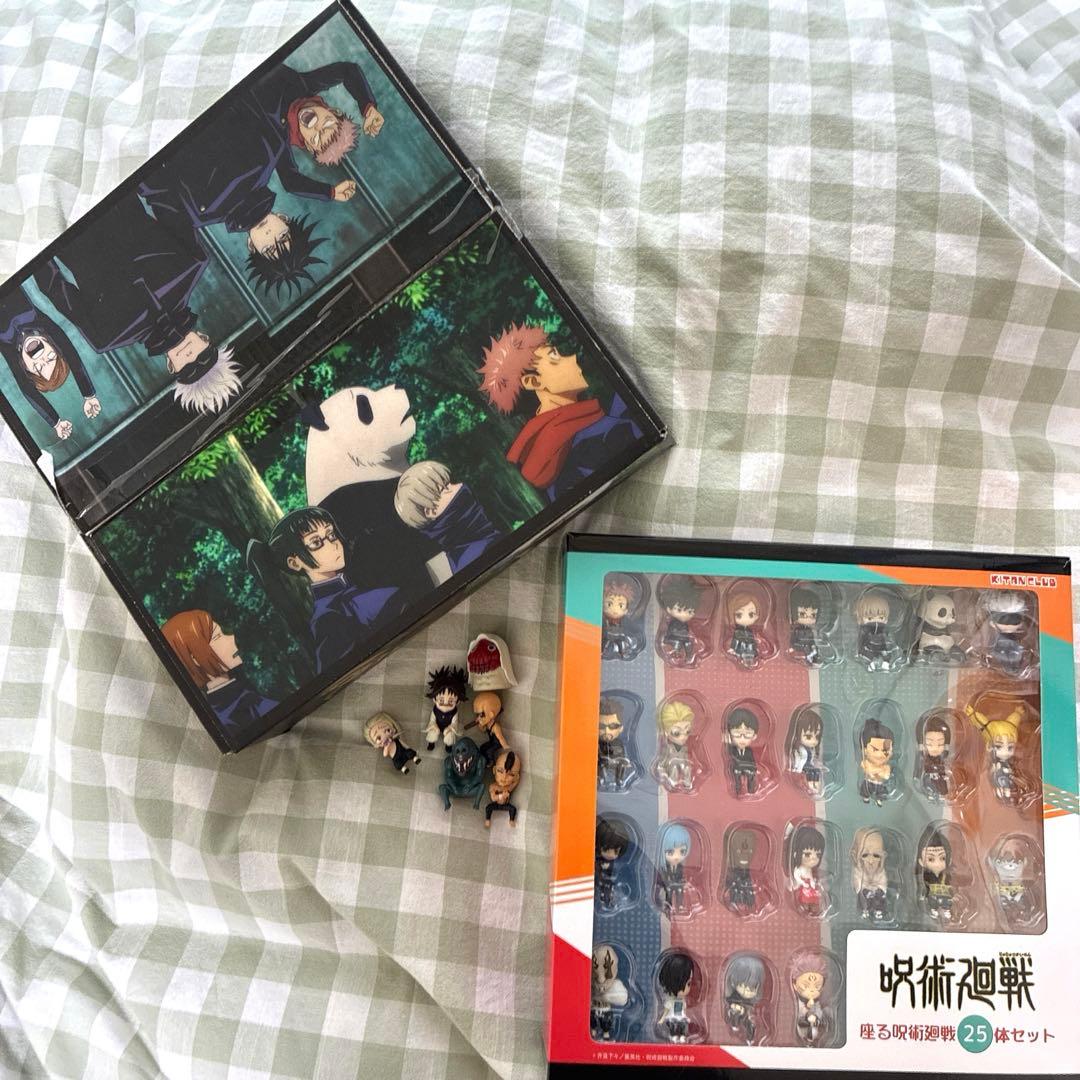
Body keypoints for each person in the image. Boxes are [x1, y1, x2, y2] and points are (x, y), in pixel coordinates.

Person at [34, 189, 238, 415]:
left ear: (171, 367)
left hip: (55, 218)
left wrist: (40, 231)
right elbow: (162, 194)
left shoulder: (107, 336)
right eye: (205, 358)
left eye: (189, 371)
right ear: (205, 339)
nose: (192, 357)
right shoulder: (193, 263)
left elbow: (54, 286)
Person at [478, 322, 640, 501]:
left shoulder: (547, 456)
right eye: (554, 357)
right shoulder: (595, 439)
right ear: (534, 382)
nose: (572, 358)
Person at [246, 506, 401, 676]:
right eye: (316, 543)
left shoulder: (358, 581)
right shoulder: (327, 618)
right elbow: (342, 674)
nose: (333, 544)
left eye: (331, 534)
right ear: (295, 563)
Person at [0, 285, 101, 439]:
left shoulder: (7, 345)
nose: (41, 358)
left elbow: (28, 390)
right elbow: (72, 356)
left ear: (24, 366)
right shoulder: (37, 320)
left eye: (38, 367)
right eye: (50, 358)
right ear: (52, 345)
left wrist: (56, 423)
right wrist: (88, 395)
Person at [161, 608, 278, 737]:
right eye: (217, 636)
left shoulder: (244, 698)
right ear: (195, 658)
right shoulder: (228, 720)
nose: (231, 637)